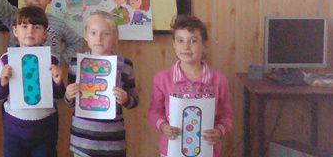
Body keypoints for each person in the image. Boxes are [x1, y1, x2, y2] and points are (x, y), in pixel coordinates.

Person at [148, 14, 233, 157]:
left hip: (207, 151)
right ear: (174, 44)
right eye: (180, 40)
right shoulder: (162, 79)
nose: (186, 46)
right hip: (172, 151)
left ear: (204, 45)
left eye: (193, 40)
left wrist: (219, 131)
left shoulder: (219, 80)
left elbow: (226, 116)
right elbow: (154, 112)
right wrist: (163, 126)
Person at [0, 7, 66, 157]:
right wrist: (3, 82)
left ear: (44, 34)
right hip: (14, 130)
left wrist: (58, 82)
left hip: (45, 129)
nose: (30, 31)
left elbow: (59, 96)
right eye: (24, 26)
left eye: (36, 27)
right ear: (15, 31)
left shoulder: (51, 60)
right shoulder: (7, 59)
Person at [65, 10, 138, 157]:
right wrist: (68, 95)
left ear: (115, 36)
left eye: (106, 34)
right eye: (93, 33)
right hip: (82, 142)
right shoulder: (76, 64)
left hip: (112, 141)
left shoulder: (124, 65)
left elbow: (134, 101)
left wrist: (125, 99)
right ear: (85, 35)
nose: (98, 39)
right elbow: (70, 102)